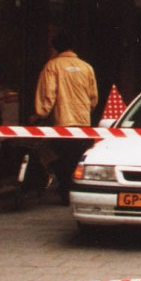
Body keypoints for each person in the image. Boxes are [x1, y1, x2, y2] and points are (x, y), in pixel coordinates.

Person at [33, 32, 98, 200]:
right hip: (83, 122)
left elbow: (48, 94)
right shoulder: (86, 67)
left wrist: (40, 113)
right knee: (75, 156)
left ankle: (64, 187)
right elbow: (93, 97)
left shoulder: (52, 66)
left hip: (62, 122)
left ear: (54, 48)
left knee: (54, 153)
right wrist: (85, 112)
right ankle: (69, 189)